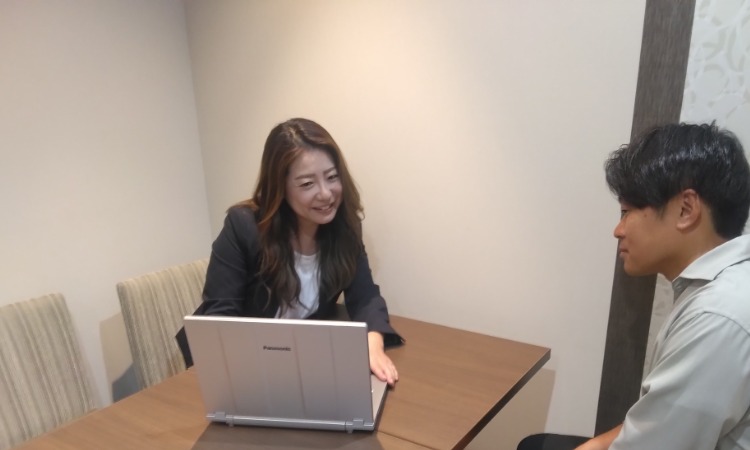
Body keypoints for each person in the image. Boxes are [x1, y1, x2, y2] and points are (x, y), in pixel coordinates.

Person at [519, 122, 750, 449]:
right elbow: (658, 419)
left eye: (627, 212)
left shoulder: (717, 317)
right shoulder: (722, 289)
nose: (618, 230)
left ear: (686, 209)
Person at [177, 118, 402, 385]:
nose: (326, 194)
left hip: (300, 365)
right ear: (280, 188)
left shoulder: (345, 228)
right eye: (307, 184)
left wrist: (372, 344)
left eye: (332, 177)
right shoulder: (244, 227)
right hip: (240, 368)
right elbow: (220, 318)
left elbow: (365, 298)